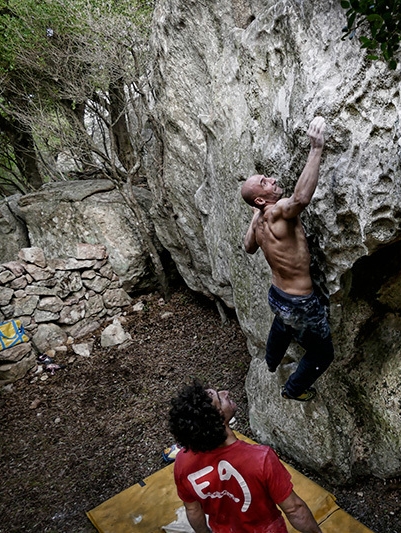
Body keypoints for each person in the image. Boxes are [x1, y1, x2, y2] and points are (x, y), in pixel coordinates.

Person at [241, 116, 334, 402]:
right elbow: (301, 199)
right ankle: (294, 389)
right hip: (300, 301)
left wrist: (256, 210)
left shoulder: (258, 223)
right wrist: (316, 149)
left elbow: (248, 247)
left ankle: (271, 359)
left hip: (278, 295)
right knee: (322, 352)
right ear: (261, 200)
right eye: (265, 183)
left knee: (283, 321)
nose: (272, 180)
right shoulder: (278, 211)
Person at [168, 381, 323, 533]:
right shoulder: (261, 459)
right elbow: (295, 509)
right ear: (218, 420)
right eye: (220, 398)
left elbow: (193, 510)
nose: (225, 392)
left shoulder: (182, 461)